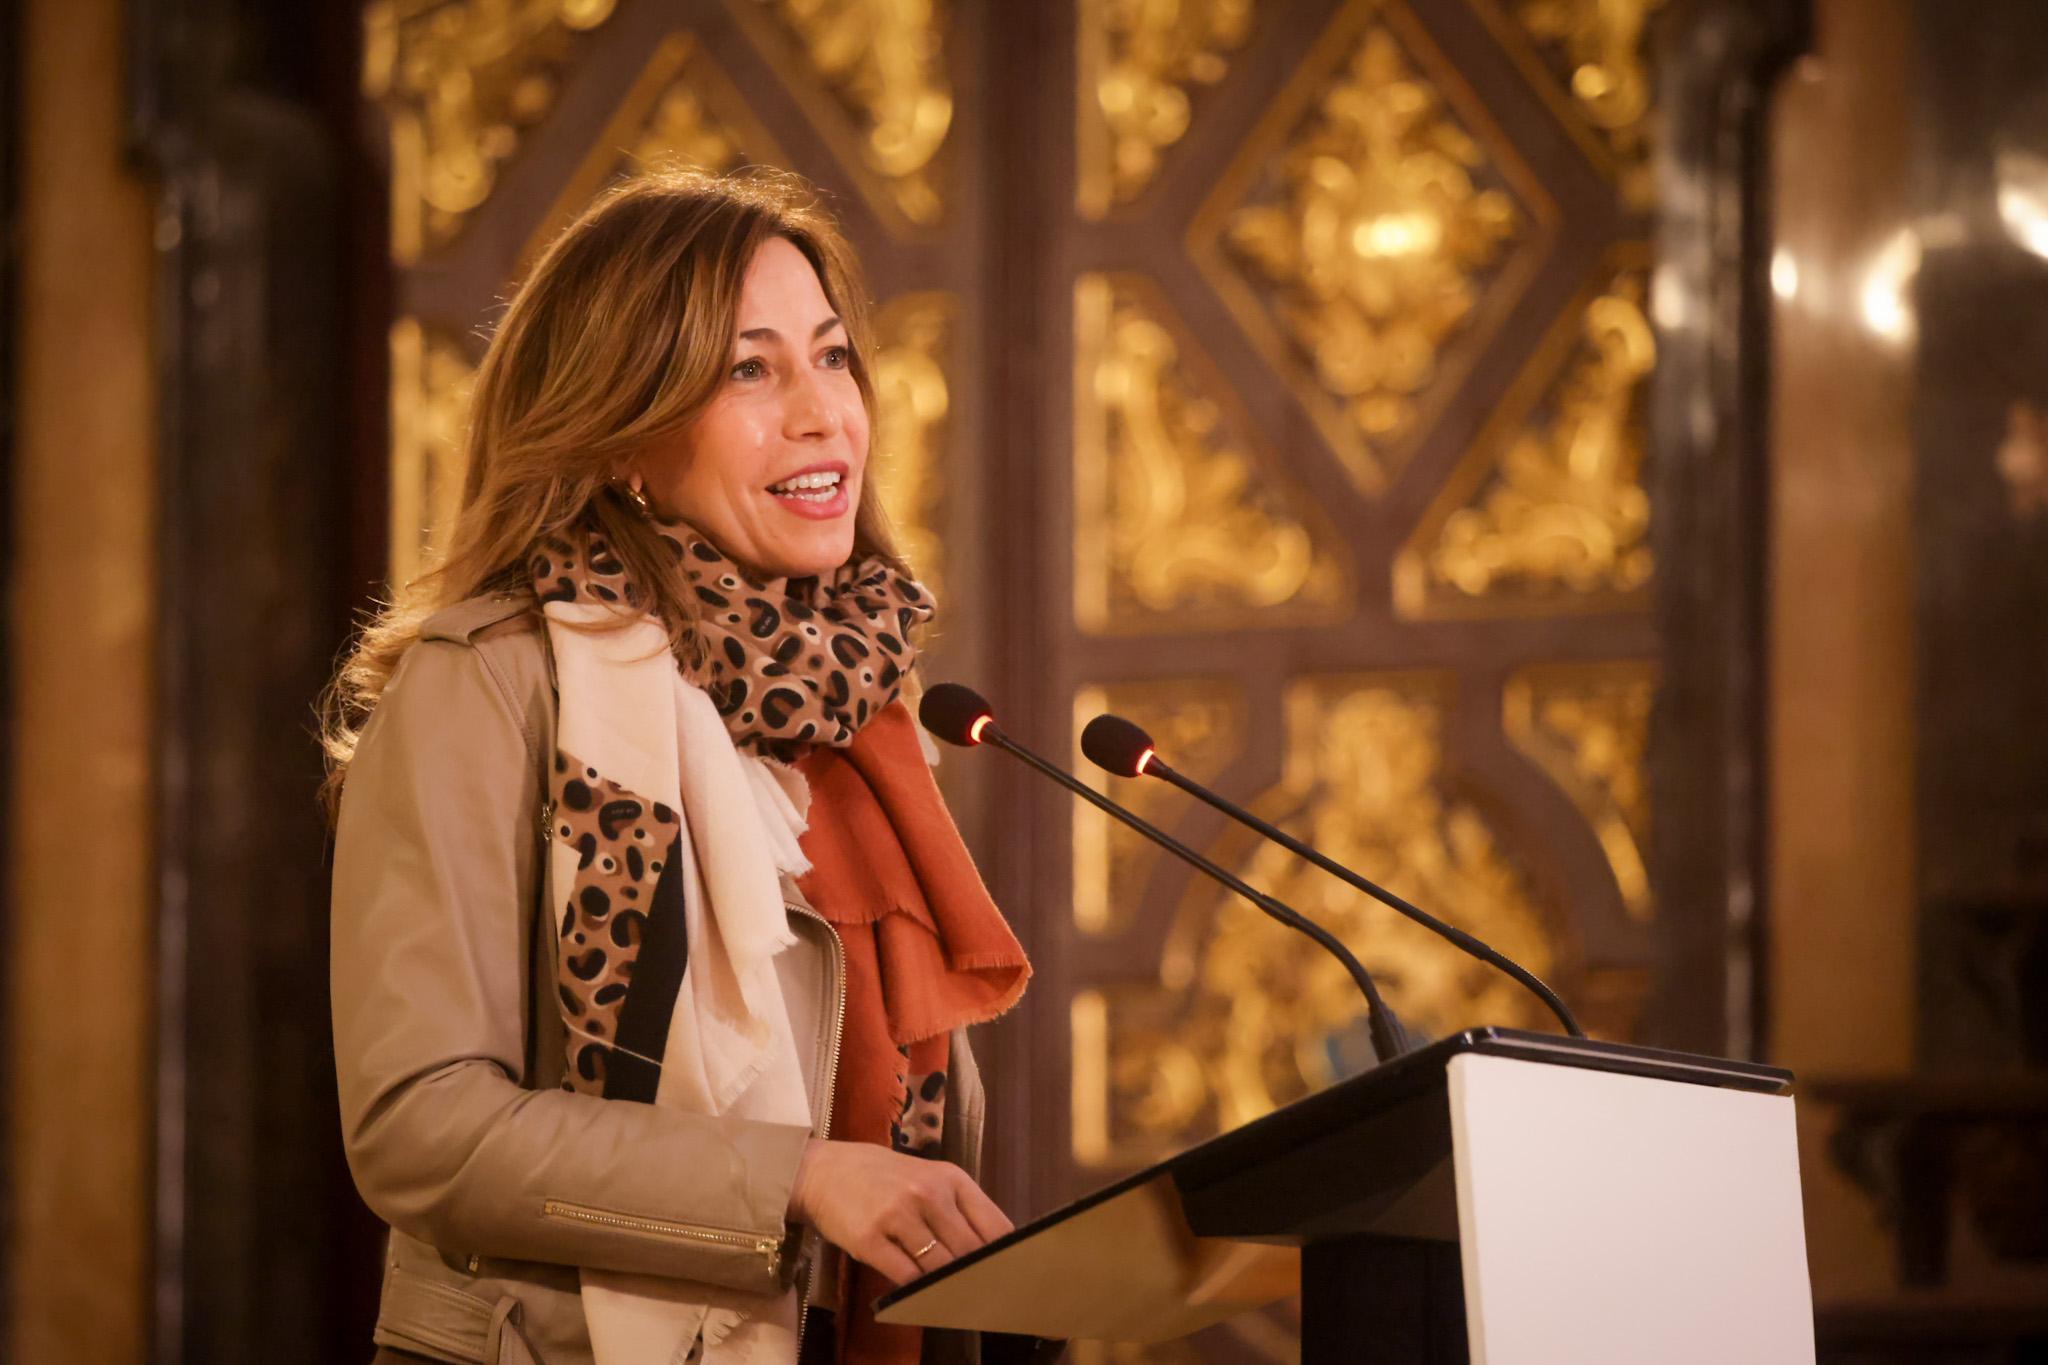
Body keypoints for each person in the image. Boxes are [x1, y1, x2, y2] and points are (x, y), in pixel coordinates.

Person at [322, 167, 1051, 1365]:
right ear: (622, 435)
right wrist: (795, 1181)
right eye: (747, 371)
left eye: (830, 356)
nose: (820, 412)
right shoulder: (494, 685)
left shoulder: (857, 713)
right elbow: (419, 1129)